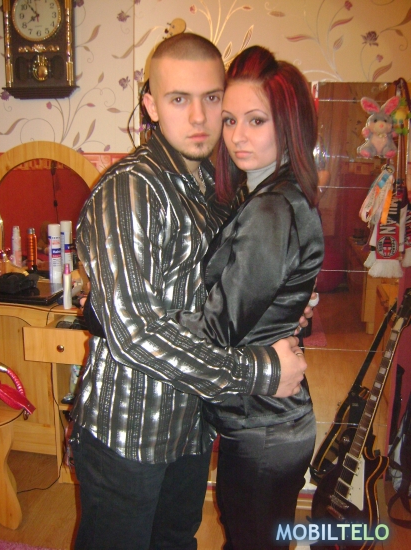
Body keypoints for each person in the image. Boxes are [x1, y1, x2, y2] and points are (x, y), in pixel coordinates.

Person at [71, 33, 309, 550]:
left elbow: (222, 299)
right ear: (151, 106)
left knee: (176, 540)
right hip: (129, 433)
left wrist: (280, 306)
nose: (199, 117)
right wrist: (261, 372)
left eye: (212, 97)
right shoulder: (130, 190)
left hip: (192, 425)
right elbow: (137, 333)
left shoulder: (215, 190)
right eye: (179, 99)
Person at [176, 46, 324, 549]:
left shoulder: (270, 209)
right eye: (231, 119)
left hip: (263, 425)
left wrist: (127, 320)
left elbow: (217, 327)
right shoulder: (273, 195)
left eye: (256, 121)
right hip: (269, 419)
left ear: (288, 126)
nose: (237, 135)